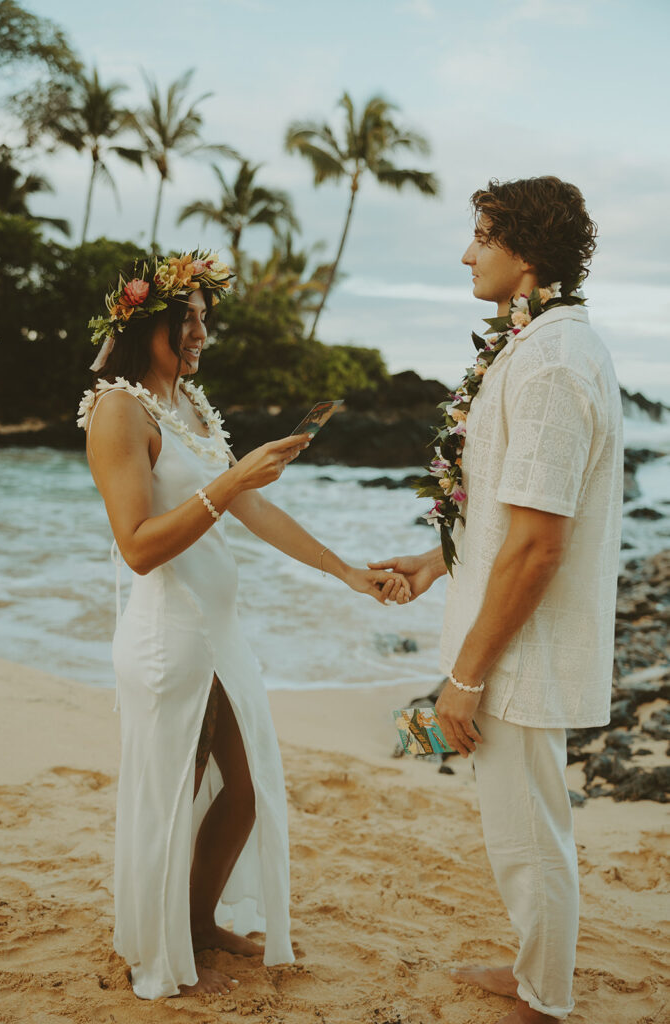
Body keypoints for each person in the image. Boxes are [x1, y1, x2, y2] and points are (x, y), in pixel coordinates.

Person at [77, 250, 410, 1000]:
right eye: (186, 321)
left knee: (248, 788)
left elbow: (250, 510)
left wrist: (345, 572)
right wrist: (231, 479)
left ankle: (195, 924)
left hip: (219, 634)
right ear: (145, 322)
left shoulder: (190, 407)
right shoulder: (118, 411)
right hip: (168, 637)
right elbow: (136, 547)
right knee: (173, 796)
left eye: (203, 321)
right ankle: (160, 953)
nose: (199, 335)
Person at [372, 177, 623, 1022]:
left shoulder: (552, 362)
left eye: (482, 236)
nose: (466, 251)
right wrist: (433, 560)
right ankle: (533, 972)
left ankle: (542, 998)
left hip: (518, 646)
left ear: (526, 255)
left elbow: (539, 543)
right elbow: (502, 511)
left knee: (528, 830)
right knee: (516, 824)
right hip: (503, 630)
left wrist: (466, 677)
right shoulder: (535, 345)